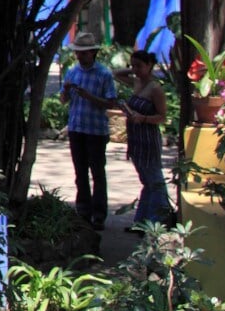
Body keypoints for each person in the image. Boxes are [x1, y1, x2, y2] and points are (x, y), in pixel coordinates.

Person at [61, 32, 118, 229]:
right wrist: (67, 91)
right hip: (77, 128)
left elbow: (111, 102)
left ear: (93, 53)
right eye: (78, 53)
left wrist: (89, 96)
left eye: (84, 53)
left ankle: (99, 214)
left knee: (97, 173)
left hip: (96, 130)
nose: (80, 56)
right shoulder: (72, 72)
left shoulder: (104, 74)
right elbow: (63, 100)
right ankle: (83, 211)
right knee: (80, 172)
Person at [117, 50, 174, 226]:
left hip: (148, 139)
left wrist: (143, 119)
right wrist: (133, 70)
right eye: (133, 66)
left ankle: (159, 220)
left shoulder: (155, 89)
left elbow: (163, 117)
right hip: (136, 140)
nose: (135, 70)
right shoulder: (136, 82)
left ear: (149, 65)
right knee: (146, 181)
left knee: (155, 180)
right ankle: (143, 221)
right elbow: (116, 74)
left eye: (139, 66)